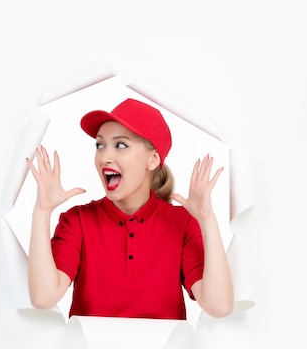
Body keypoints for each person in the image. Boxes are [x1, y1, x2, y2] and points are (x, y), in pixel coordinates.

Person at [25, 98, 233, 320]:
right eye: (100, 145)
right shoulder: (77, 221)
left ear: (152, 160)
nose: (105, 156)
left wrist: (207, 220)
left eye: (121, 145)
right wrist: (42, 211)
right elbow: (43, 298)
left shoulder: (182, 223)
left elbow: (218, 306)